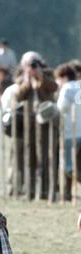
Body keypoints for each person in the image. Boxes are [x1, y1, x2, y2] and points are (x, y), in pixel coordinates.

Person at [15, 51, 58, 198]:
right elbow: (18, 95)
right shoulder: (22, 77)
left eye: (35, 63)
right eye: (29, 64)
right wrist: (27, 81)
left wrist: (41, 78)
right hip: (29, 124)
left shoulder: (48, 74)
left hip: (46, 123)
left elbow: (53, 88)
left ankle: (46, 190)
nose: (32, 67)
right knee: (29, 156)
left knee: (46, 156)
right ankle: (30, 190)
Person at [55, 63, 81, 200]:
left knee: (68, 165)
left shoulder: (66, 89)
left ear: (64, 77)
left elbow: (61, 108)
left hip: (70, 133)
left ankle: (67, 194)